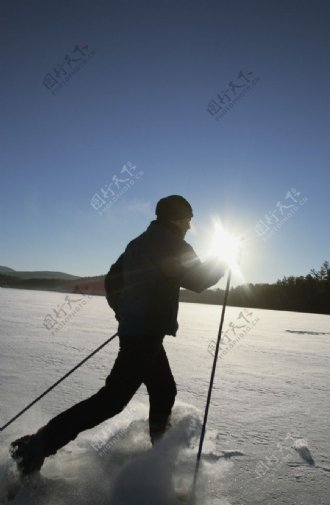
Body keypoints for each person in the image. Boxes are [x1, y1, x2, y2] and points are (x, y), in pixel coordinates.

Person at [10, 195, 226, 476]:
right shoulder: (172, 243)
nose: (190, 225)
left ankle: (159, 461)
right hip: (145, 336)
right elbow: (198, 279)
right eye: (188, 219)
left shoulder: (139, 243)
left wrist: (124, 312)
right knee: (112, 401)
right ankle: (36, 447)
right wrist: (224, 262)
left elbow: (113, 280)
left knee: (163, 391)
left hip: (140, 333)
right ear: (177, 218)